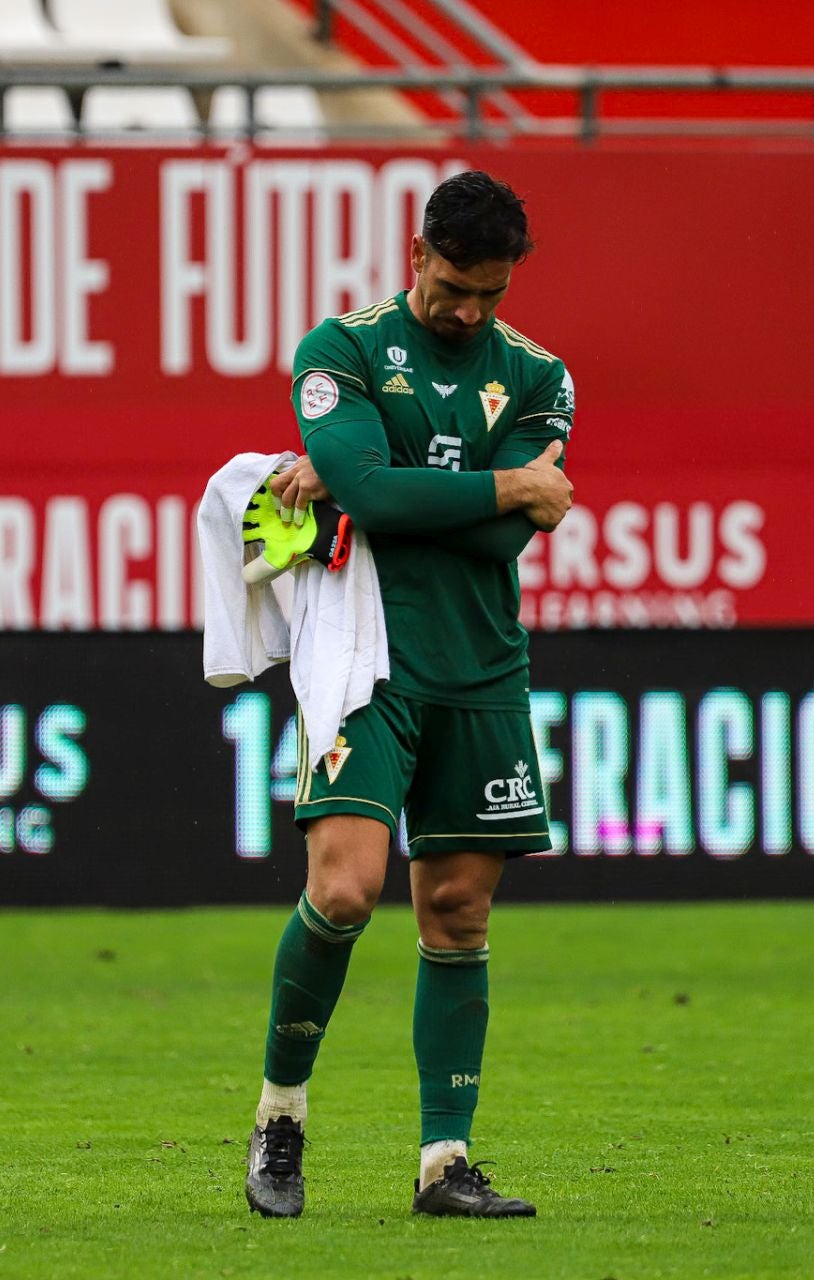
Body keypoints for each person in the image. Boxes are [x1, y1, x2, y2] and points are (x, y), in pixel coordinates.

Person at [242, 169, 575, 1219]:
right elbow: (390, 493)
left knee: (459, 910)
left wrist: (377, 481)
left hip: (481, 664)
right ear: (417, 254)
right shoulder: (340, 350)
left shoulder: (540, 375)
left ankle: (445, 1160)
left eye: (491, 292)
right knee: (344, 890)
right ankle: (282, 1113)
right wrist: (498, 480)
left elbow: (496, 531)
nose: (470, 311)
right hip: (363, 658)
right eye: (454, 288)